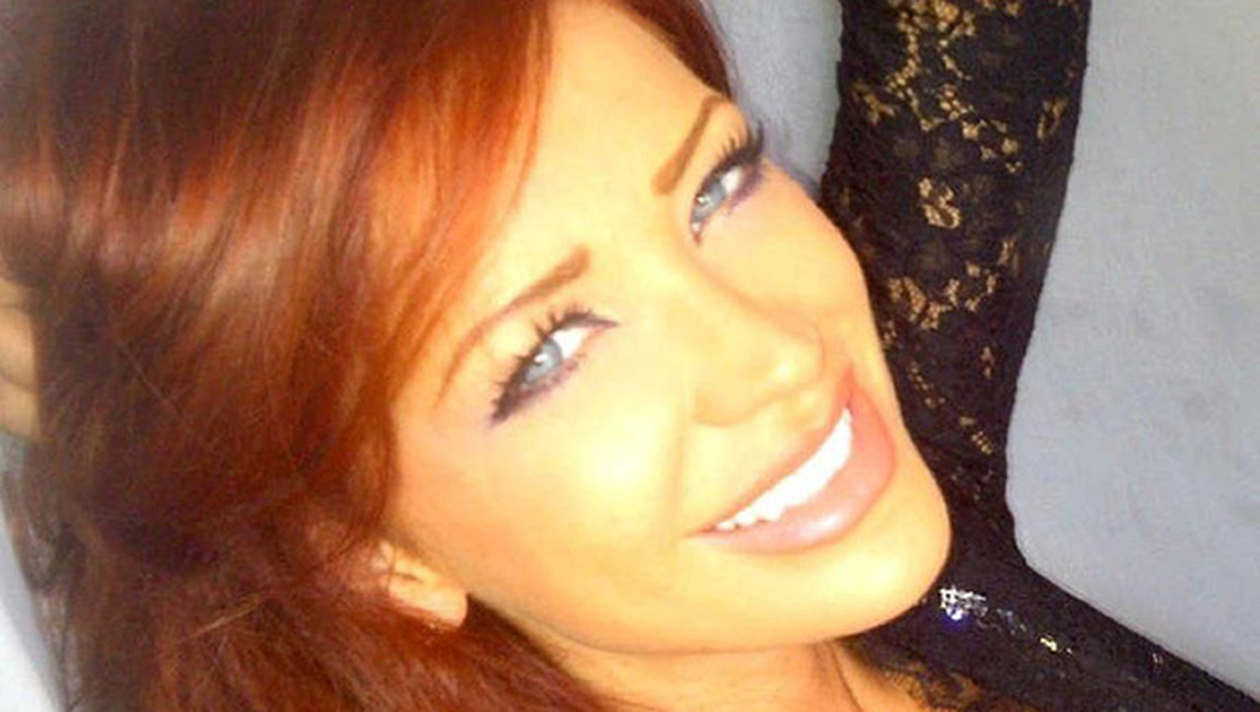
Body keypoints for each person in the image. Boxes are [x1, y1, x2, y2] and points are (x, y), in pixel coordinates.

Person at [1, 0, 1255, 710]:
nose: (777, 352)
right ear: (363, 549)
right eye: (552, 350)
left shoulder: (870, 505)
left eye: (719, 184)